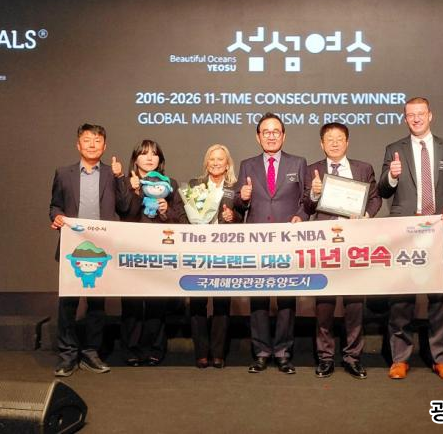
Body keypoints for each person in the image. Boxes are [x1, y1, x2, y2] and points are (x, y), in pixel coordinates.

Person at [377, 97, 443, 381]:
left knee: (440, 299)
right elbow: (383, 190)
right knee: (401, 299)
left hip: (439, 231)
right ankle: (400, 359)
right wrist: (391, 177)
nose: (416, 119)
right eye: (410, 115)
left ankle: (441, 359)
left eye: (420, 114)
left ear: (430, 115)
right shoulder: (394, 149)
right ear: (405, 118)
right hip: (405, 234)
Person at [49, 123, 131, 377]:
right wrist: (57, 217)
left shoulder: (111, 173)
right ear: (78, 144)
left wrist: (120, 177)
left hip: (101, 248)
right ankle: (67, 355)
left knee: (97, 305)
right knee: (68, 305)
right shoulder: (64, 173)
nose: (92, 145)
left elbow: (125, 207)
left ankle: (91, 352)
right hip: (72, 247)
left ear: (104, 146)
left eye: (97, 141)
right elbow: (55, 206)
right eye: (87, 140)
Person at [303, 122, 382, 379]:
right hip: (326, 243)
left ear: (347, 142)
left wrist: (366, 215)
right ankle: (325, 358)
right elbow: (306, 206)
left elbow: (375, 197)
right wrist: (314, 195)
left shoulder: (363, 168)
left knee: (355, 303)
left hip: (355, 241)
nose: (335, 143)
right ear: (321, 144)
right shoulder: (313, 170)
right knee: (324, 304)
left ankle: (352, 357)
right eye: (329, 139)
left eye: (339, 138)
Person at [235, 112, 308, 374]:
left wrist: (301, 216)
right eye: (266, 132)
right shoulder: (247, 165)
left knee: (287, 297)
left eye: (276, 131)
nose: (271, 136)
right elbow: (238, 202)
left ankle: (283, 352)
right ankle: (261, 352)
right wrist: (242, 197)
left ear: (283, 135)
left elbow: (306, 199)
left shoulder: (298, 163)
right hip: (257, 239)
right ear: (258, 137)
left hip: (288, 239)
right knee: (259, 297)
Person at [122, 139, 185, 367]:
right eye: (144, 153)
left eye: (154, 154)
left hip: (160, 252)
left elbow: (182, 219)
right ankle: (132, 349)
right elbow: (124, 213)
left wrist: (167, 211)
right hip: (131, 250)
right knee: (132, 303)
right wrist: (135, 191)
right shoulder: (125, 183)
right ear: (135, 158)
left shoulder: (170, 184)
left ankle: (154, 349)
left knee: (157, 302)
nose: (149, 158)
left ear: (160, 159)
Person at [186, 144, 241, 369]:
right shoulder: (194, 185)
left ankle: (218, 353)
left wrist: (232, 217)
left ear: (227, 164)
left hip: (225, 251)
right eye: (212, 159)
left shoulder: (235, 188)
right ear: (206, 163)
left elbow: (244, 216)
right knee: (197, 302)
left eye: (220, 159)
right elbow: (185, 215)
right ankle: (201, 352)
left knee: (221, 302)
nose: (216, 163)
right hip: (199, 250)